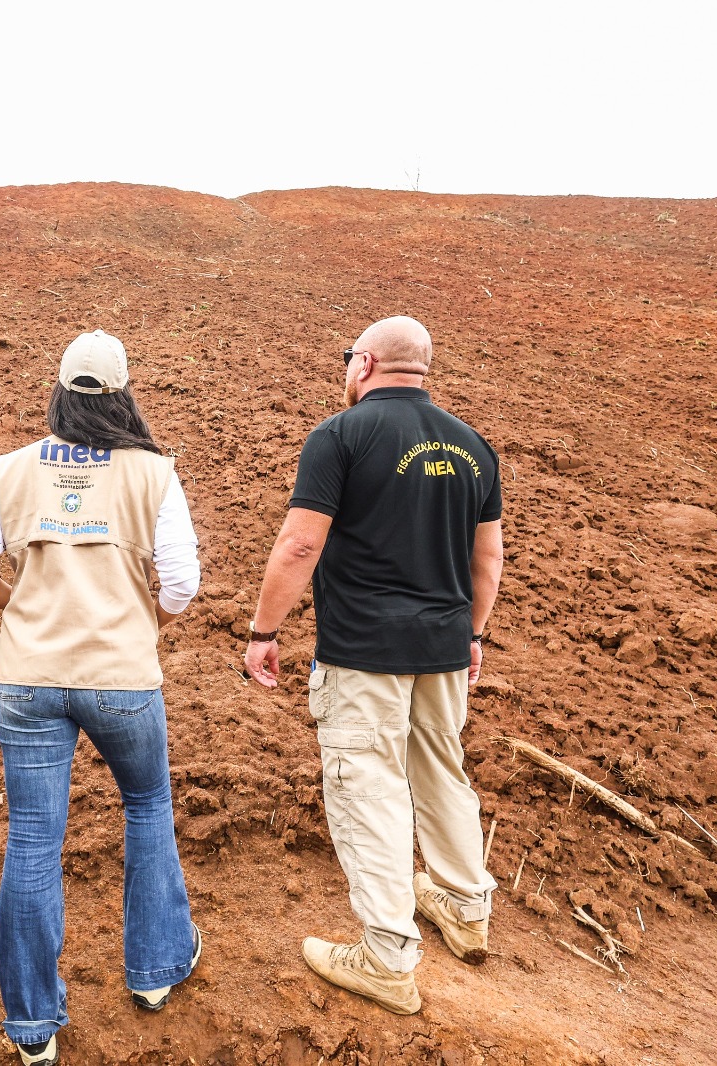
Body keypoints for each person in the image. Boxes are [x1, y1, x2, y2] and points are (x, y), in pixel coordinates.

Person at [0, 330, 203, 1066]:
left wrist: (22, 606)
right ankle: (155, 974)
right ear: (124, 391)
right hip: (122, 678)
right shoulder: (152, 473)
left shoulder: (11, 469)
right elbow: (183, 584)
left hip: (25, 678)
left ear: (59, 389)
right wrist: (141, 621)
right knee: (148, 806)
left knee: (33, 837)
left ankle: (33, 1029)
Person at [242, 315, 503, 1015]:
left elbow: (300, 546)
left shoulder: (342, 435)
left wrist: (265, 629)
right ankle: (464, 905)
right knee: (442, 768)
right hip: (445, 649)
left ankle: (387, 956)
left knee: (368, 785)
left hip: (364, 653)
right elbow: (488, 559)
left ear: (365, 363)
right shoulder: (473, 446)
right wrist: (472, 635)